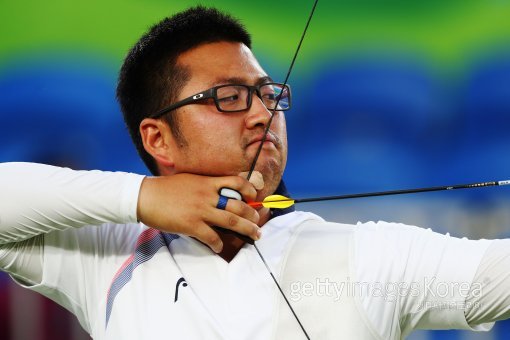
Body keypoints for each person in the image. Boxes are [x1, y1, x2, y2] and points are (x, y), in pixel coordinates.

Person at [1, 6, 510, 340]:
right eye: (228, 97)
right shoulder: (106, 252)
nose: (263, 113)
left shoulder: (365, 256)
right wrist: (145, 198)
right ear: (157, 138)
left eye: (269, 95)